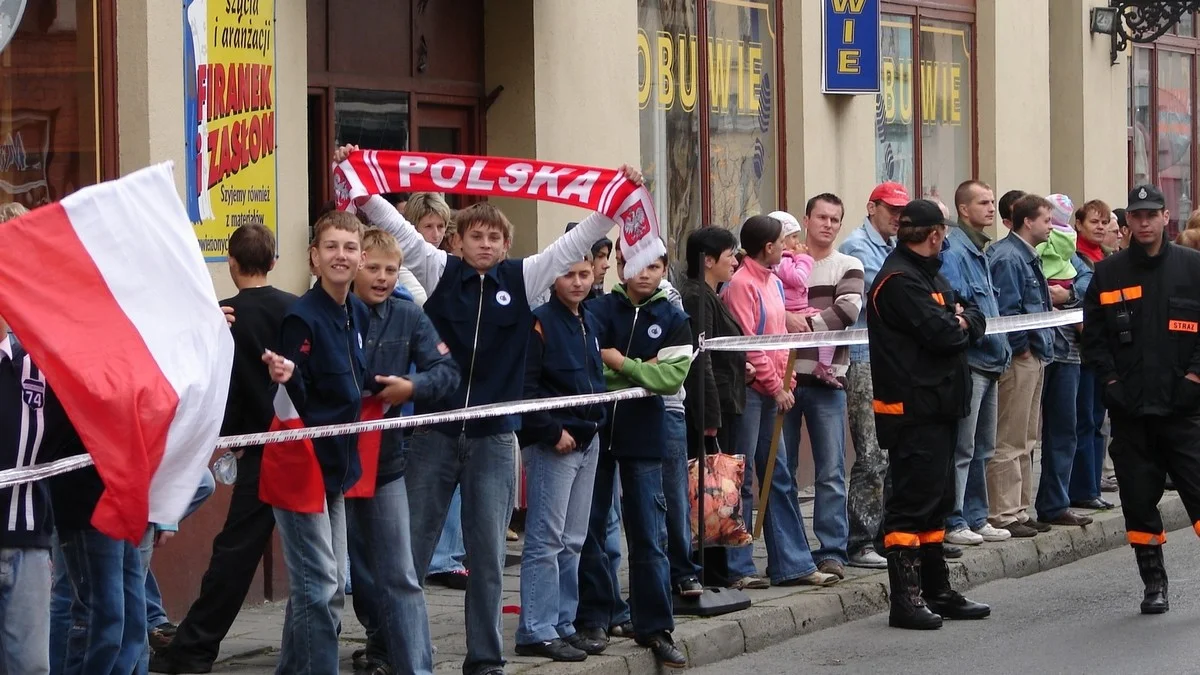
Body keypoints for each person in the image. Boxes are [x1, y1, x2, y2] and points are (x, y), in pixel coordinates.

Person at [341, 143, 643, 675]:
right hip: (435, 434)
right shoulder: (438, 271)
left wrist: (612, 199)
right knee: (410, 556)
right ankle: (394, 651)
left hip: (495, 437)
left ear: (505, 245)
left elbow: (575, 240)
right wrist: (360, 180)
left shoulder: (522, 279)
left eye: (494, 237)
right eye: (474, 236)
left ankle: (484, 660)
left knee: (485, 559)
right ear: (457, 241)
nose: (484, 244)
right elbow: (396, 225)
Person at [150, 225, 298, 674]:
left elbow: (207, 386)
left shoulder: (221, 317)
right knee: (321, 558)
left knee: (233, 555)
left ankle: (193, 650)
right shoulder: (295, 310)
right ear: (273, 262)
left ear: (230, 263)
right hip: (299, 445)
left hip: (253, 450)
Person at [260, 209, 384, 675]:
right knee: (322, 590)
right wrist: (290, 377)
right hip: (300, 467)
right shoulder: (301, 318)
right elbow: (299, 399)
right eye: (330, 247)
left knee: (324, 585)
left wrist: (390, 385)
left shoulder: (355, 311)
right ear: (314, 258)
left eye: (350, 247)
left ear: (361, 257)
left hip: (336, 468)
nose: (341, 255)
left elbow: (352, 382)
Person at [866, 198, 991, 630]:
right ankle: (905, 599)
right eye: (943, 234)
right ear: (936, 234)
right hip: (912, 409)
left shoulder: (930, 274)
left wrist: (960, 319)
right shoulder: (899, 280)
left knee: (936, 503)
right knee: (911, 505)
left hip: (939, 404)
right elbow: (943, 334)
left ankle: (937, 589)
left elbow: (975, 316)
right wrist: (954, 321)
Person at [345, 228, 460, 674]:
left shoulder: (409, 315)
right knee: (344, 573)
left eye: (390, 270)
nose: (382, 278)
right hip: (333, 458)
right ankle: (376, 644)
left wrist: (413, 386)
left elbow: (445, 371)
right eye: (373, 268)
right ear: (356, 266)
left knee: (400, 571)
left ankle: (411, 664)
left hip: (387, 458)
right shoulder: (333, 310)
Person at [1081, 183, 1200, 614]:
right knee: (1136, 499)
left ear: (1165, 218)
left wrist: (1194, 378)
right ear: (1127, 221)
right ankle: (1155, 584)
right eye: (1137, 215)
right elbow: (1093, 341)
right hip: (1131, 412)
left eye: (1152, 214)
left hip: (1185, 410)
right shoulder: (1109, 273)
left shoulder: (1192, 267)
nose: (1145, 222)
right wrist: (1111, 385)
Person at [577, 251, 692, 667]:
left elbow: (670, 378)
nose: (644, 274)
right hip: (594, 430)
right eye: (636, 265)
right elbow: (588, 370)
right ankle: (594, 617)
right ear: (621, 265)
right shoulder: (596, 309)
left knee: (649, 532)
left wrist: (619, 361)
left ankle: (656, 626)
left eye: (654, 267)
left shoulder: (675, 317)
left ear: (664, 271)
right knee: (588, 529)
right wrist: (642, 366)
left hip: (644, 433)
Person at [722, 214, 838, 590]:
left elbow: (777, 335)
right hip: (754, 393)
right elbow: (751, 345)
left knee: (779, 475)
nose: (789, 247)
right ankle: (738, 566)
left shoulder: (771, 280)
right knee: (741, 477)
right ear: (768, 247)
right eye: (782, 242)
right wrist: (776, 386)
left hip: (773, 389)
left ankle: (791, 562)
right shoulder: (741, 284)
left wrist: (783, 379)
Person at [515, 257, 607, 662]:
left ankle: (563, 624)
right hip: (555, 444)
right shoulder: (538, 323)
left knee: (573, 540)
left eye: (584, 275)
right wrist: (552, 432)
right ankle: (535, 628)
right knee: (546, 540)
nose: (577, 282)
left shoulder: (589, 320)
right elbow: (525, 388)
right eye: (568, 275)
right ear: (553, 278)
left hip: (588, 441)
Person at [780, 196, 865, 580]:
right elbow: (766, 307)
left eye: (835, 219)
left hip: (828, 379)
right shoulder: (782, 265)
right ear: (806, 219)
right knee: (784, 469)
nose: (828, 224)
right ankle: (793, 551)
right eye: (821, 217)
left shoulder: (848, 264)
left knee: (830, 470)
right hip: (782, 379)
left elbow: (847, 310)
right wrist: (785, 316)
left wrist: (801, 324)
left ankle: (832, 550)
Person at [938, 180, 1013, 547]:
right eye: (983, 202)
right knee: (963, 448)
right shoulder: (954, 251)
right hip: (971, 362)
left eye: (992, 201)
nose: (990, 208)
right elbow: (958, 305)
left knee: (984, 446)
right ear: (964, 210)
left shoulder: (981, 250)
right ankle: (954, 520)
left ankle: (977, 516)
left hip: (992, 361)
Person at [838, 182, 908, 569]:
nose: (897, 217)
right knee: (871, 452)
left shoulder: (894, 248)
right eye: (891, 210)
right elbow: (891, 292)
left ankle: (885, 533)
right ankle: (860, 539)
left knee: (892, 449)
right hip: (864, 358)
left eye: (901, 211)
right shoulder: (858, 248)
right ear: (872, 208)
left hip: (892, 358)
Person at [985, 194, 1056, 538]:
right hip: (1020, 359)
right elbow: (1007, 310)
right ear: (1028, 222)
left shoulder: (1028, 257)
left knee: (1027, 436)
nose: (1051, 227)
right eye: (1046, 220)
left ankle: (1021, 508)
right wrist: (1022, 350)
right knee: (1009, 437)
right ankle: (1003, 511)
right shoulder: (1009, 257)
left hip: (1036, 354)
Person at [680, 227, 745, 585]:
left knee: (719, 490)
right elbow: (699, 356)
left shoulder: (710, 294)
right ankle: (706, 569)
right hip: (711, 408)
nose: (735, 261)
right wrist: (709, 415)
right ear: (708, 260)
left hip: (725, 401)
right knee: (707, 490)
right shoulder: (697, 297)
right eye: (729, 255)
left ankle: (718, 569)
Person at [1032, 195, 1094, 528]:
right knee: (1024, 436)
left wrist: (1068, 295)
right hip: (1035, 350)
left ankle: (1056, 503)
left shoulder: (1077, 259)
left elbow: (1088, 286)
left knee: (1064, 430)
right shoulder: (1026, 253)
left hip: (1068, 352)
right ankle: (1012, 510)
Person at [1069, 200, 1116, 509]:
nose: (1099, 228)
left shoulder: (1108, 259)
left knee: (1098, 422)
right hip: (1085, 354)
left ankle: (1094, 484)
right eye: (1094, 223)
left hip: (1107, 354)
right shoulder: (1074, 260)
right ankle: (1082, 490)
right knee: (1084, 421)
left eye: (1104, 223)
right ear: (1078, 225)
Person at [770, 212, 838, 388]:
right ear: (780, 239)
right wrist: (804, 258)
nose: (797, 241)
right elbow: (798, 278)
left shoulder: (788, 258)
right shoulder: (781, 260)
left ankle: (824, 365)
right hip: (790, 310)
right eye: (793, 237)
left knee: (826, 325)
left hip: (800, 307)